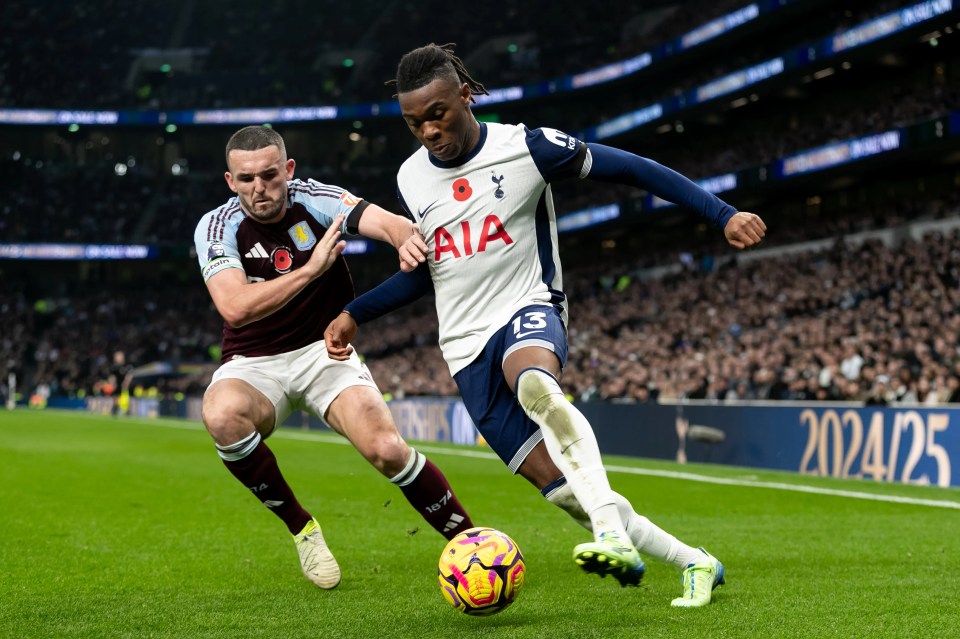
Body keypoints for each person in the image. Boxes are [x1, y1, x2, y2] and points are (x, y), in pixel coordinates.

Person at [324, 43, 766, 607]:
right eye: (415, 122)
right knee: (564, 491)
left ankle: (611, 536)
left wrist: (721, 213)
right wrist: (353, 314)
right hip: (464, 349)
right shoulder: (412, 178)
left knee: (535, 384)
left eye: (438, 114)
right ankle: (695, 562)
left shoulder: (526, 147)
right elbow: (429, 275)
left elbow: (632, 168)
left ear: (465, 96)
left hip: (528, 305)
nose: (429, 130)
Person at [193, 125, 473, 590]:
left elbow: (381, 219)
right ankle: (303, 530)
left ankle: (471, 543)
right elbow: (235, 308)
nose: (259, 188)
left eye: (268, 175)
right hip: (254, 362)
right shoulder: (217, 226)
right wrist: (310, 271)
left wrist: (403, 236)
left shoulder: (315, 198)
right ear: (230, 181)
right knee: (222, 417)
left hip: (326, 352)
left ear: (288, 170)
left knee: (387, 451)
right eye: (246, 179)